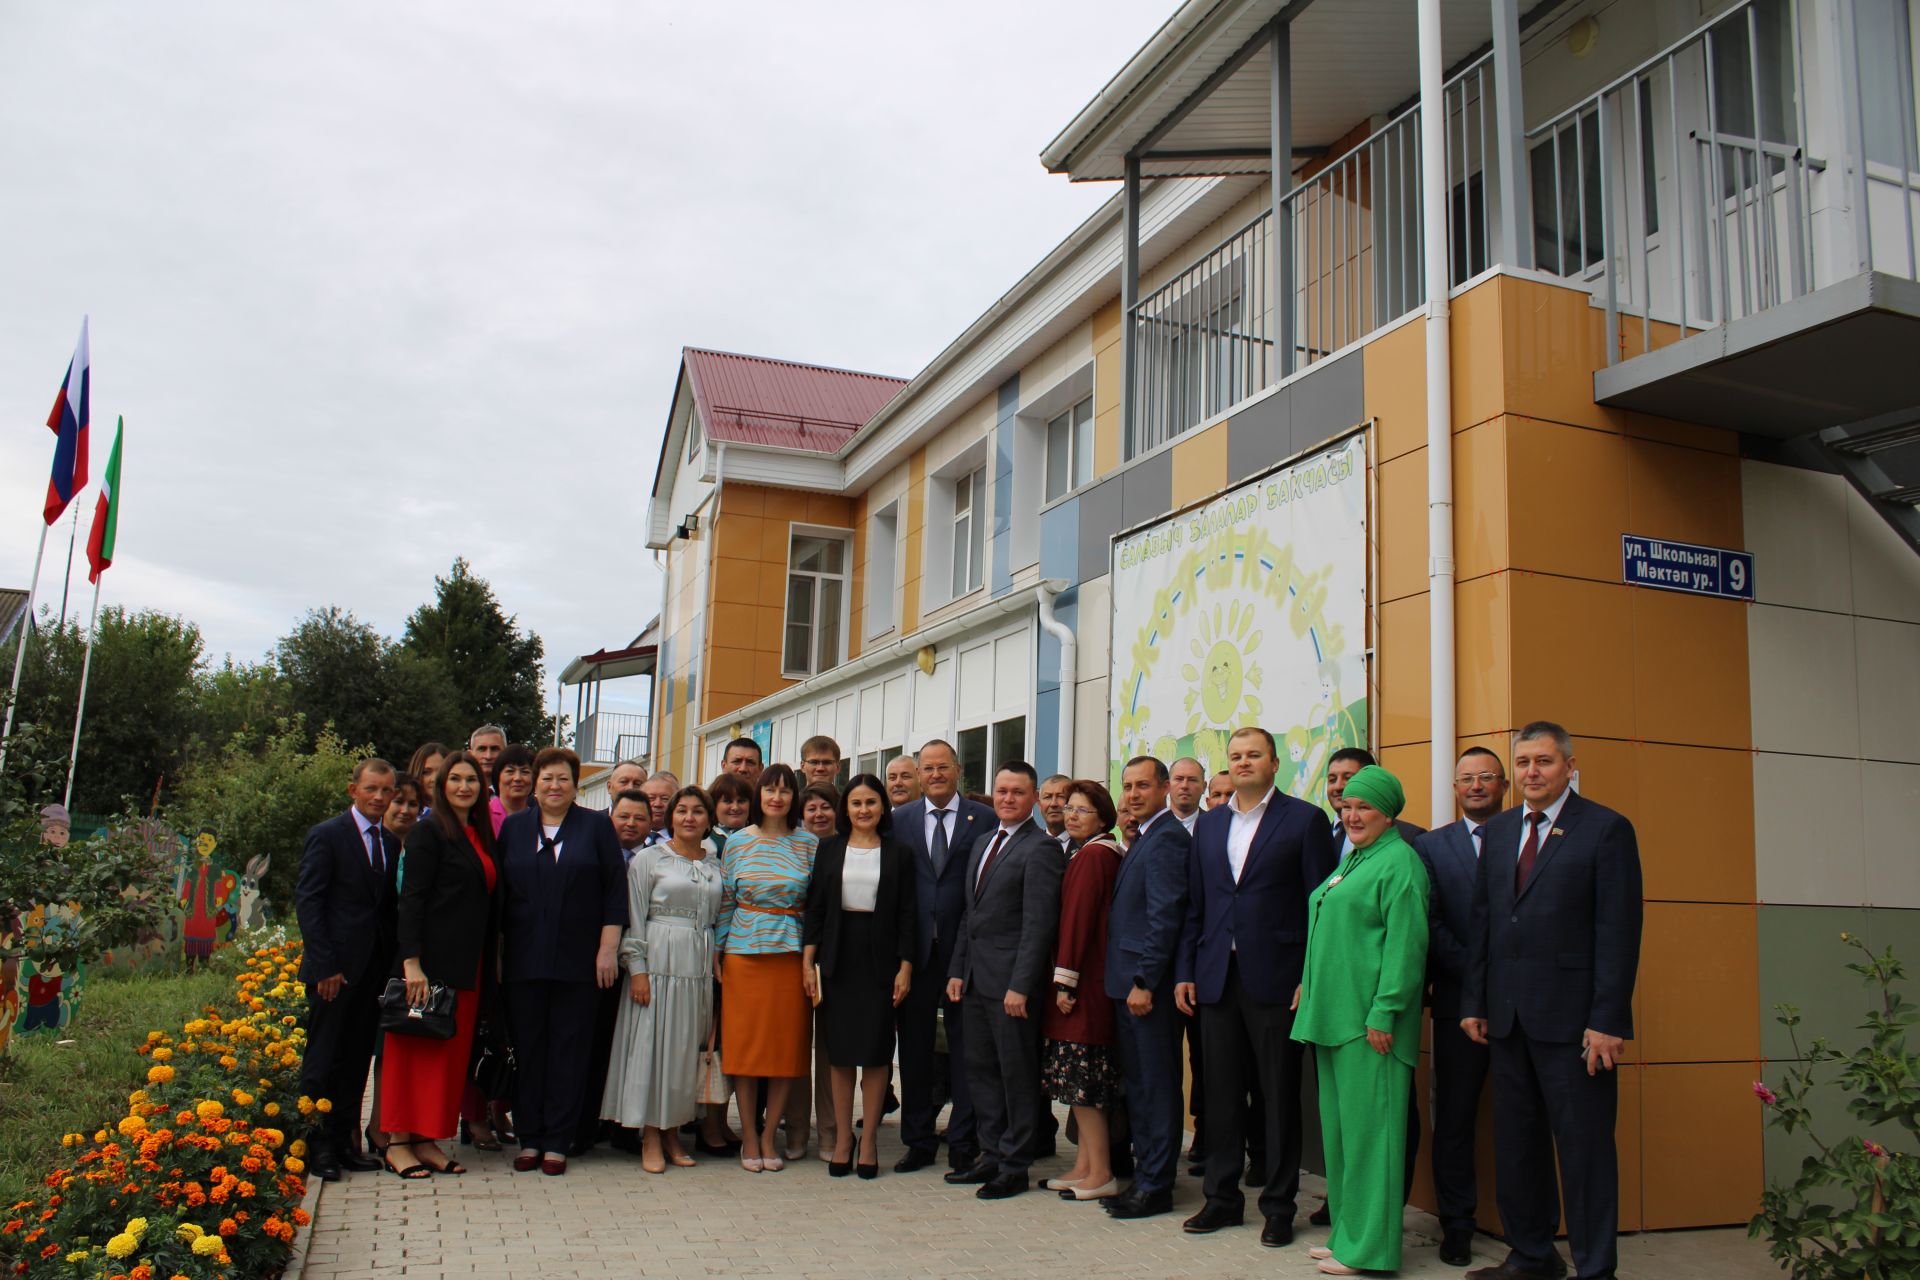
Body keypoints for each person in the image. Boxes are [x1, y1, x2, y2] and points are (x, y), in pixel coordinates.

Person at [1463, 723, 1642, 1280]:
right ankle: (1533, 1255)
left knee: (1585, 1153)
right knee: (1518, 1148)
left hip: (1575, 1027)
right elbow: (1484, 923)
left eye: (1543, 761)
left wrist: (1607, 1021)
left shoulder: (1606, 829)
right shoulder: (1498, 832)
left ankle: (1595, 1269)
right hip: (1508, 1020)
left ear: (1568, 766)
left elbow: (1618, 931)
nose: (1531, 773)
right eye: (1522, 763)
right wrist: (1476, 1001)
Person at [1176, 726, 1337, 1246]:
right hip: (1217, 979)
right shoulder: (1211, 823)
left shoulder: (1305, 820)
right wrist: (1186, 970)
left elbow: (1322, 907)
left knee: (1278, 1097)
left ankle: (1279, 1206)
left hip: (1277, 980)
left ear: (1274, 764)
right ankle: (1222, 1200)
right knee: (1220, 1097)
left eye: (1254, 755)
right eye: (1235, 756)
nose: (1243, 763)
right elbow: (1197, 906)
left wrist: (1309, 977)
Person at [1292, 765, 1430, 1276]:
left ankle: (1371, 1251)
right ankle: (1349, 1235)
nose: (1351, 814)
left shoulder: (1400, 864)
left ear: (1389, 812)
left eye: (1363, 807)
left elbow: (1406, 948)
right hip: (1332, 1018)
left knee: (1373, 1141)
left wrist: (1385, 1010)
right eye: (1346, 806)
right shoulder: (1354, 860)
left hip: (1371, 1027)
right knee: (1343, 1140)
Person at [496, 746, 627, 1175]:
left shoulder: (595, 827)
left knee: (569, 1050)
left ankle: (558, 1140)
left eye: (563, 779)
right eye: (547, 778)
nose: (555, 786)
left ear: (576, 785)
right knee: (530, 1048)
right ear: (535, 784)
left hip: (580, 962)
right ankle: (530, 1136)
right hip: (523, 959)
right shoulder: (514, 829)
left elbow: (614, 892)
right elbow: (499, 898)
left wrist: (607, 949)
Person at [945, 762, 1065, 1200]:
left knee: (1016, 1075)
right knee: (981, 1073)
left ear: (1034, 798)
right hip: (976, 981)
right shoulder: (981, 843)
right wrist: (958, 970)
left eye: (1018, 792)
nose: (1008, 799)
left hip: (1012, 987)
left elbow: (1038, 925)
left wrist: (1022, 985)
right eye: (1001, 790)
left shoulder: (1042, 849)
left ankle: (1015, 1164)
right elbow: (969, 917)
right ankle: (990, 1154)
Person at [381, 751, 501, 1180]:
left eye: (471, 780)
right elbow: (411, 898)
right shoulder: (428, 832)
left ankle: (427, 1139)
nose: (465, 787)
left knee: (446, 1058)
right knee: (412, 1053)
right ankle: (397, 1143)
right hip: (427, 964)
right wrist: (412, 963)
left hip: (467, 965)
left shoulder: (478, 834)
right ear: (442, 785)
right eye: (456, 779)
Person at [1415, 746, 1509, 1267]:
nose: (1476, 785)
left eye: (1487, 777)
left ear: (1503, 787)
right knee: (1453, 1118)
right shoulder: (1432, 847)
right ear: (1454, 788)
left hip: (1524, 1005)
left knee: (1522, 1119)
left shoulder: (1528, 838)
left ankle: (1527, 1233)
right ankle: (1457, 1225)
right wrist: (1479, 971)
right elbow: (1428, 923)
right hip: (1456, 1002)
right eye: (1466, 778)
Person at [602, 786, 724, 1173]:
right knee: (653, 1048)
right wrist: (636, 969)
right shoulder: (650, 860)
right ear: (669, 817)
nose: (689, 818)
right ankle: (650, 1135)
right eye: (682, 811)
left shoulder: (715, 863)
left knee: (685, 1051)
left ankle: (673, 1132)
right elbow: (634, 916)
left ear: (708, 820)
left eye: (698, 812)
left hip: (698, 964)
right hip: (658, 960)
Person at [803, 774, 916, 1178]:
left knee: (875, 1051)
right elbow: (815, 909)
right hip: (837, 957)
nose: (863, 810)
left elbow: (907, 914)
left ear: (882, 808)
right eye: (855, 803)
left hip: (881, 960)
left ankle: (868, 1139)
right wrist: (808, 963)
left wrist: (906, 966)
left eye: (871, 802)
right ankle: (842, 1141)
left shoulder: (900, 854)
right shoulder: (829, 850)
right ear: (845, 810)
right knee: (840, 1053)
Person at [892, 739, 995, 1174]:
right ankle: (917, 1140)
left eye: (943, 767)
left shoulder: (984, 818)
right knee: (914, 1050)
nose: (935, 775)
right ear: (917, 774)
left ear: (957, 769)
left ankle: (963, 1140)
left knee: (966, 1048)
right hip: (914, 953)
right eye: (927, 768)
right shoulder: (900, 820)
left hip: (964, 951)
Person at [295, 758, 401, 1181]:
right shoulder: (328, 836)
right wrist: (325, 965)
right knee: (324, 1060)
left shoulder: (391, 843)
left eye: (386, 791)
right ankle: (315, 1146)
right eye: (372, 789)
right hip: (332, 974)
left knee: (356, 1061)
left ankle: (345, 1141)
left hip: (371, 973)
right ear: (353, 790)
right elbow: (310, 902)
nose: (379, 797)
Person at [716, 764, 817, 1172]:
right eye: (769, 790)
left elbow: (816, 907)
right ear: (759, 796)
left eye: (785, 791)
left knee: (784, 1050)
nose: (776, 797)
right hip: (743, 955)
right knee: (745, 1049)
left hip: (790, 956)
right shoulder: (737, 842)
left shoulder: (809, 844)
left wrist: (812, 961)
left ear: (795, 797)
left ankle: (770, 1132)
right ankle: (749, 1137)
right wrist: (718, 952)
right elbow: (725, 900)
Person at [1102, 764, 1191, 1220]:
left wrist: (1144, 981)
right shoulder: (1146, 835)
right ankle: (1145, 1176)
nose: (1133, 794)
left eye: (1143, 786)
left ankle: (1156, 1185)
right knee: (1138, 1085)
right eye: (1128, 786)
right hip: (1126, 984)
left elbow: (1165, 917)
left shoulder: (1168, 838)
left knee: (1155, 1087)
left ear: (1164, 789)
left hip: (1144, 990)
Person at [1040, 778, 1124, 1202]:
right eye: (1068, 808)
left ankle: (1102, 1171)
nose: (1071, 815)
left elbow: (1077, 922)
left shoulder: (1094, 856)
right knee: (1074, 1084)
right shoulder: (1087, 851)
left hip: (1083, 985)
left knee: (1085, 1084)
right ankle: (1085, 1165)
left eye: (1081, 810)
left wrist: (1063, 980)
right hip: (1083, 980)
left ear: (1103, 817)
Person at [582, 788, 656, 1156]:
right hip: (600, 965)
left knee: (633, 1047)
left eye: (639, 818)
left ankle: (627, 1127)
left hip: (645, 966)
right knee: (598, 1044)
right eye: (623, 816)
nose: (631, 824)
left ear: (651, 824)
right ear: (610, 817)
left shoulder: (655, 860)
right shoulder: (593, 854)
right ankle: (592, 1120)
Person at [490, 744, 535, 833]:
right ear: (497, 776)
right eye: (510, 771)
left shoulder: (539, 819)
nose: (517, 778)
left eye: (525, 772)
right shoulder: (482, 816)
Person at [707, 773, 753, 851]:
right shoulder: (703, 840)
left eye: (741, 801)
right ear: (713, 804)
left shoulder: (760, 838)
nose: (735, 807)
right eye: (727, 801)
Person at [1168, 758, 1206, 834]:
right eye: (1179, 779)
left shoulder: (1216, 826)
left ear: (1204, 787)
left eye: (1192, 780)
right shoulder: (1152, 824)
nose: (1184, 786)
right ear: (1167, 785)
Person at [1037, 774, 1072, 844]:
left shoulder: (1085, 846)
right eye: (1048, 797)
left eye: (1061, 796)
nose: (1053, 804)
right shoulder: (1030, 845)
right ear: (1039, 804)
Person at [643, 773, 680, 838]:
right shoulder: (627, 837)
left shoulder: (685, 840)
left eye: (664, 799)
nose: (657, 804)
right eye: (651, 798)